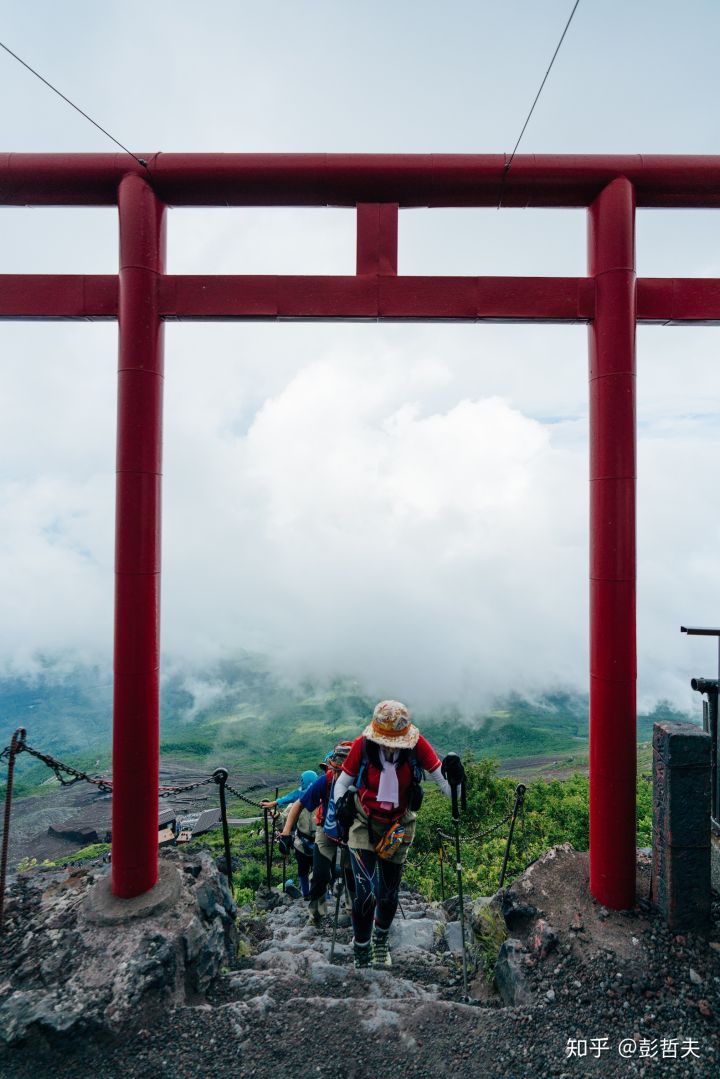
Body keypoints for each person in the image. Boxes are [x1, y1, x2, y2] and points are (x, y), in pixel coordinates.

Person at [331, 700, 464, 969]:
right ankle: (362, 948)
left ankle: (381, 940)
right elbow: (342, 782)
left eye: (396, 741)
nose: (391, 746)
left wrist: (457, 779)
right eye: (387, 741)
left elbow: (449, 792)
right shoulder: (363, 745)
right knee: (364, 892)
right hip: (363, 822)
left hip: (398, 824)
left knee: (389, 894)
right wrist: (341, 805)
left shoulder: (417, 746)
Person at [278, 742, 352, 926]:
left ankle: (352, 911)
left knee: (352, 874)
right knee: (319, 875)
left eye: (340, 771)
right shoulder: (326, 780)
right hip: (326, 830)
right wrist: (286, 833)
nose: (337, 774)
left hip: (352, 831)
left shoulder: (362, 781)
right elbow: (299, 804)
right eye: (335, 769)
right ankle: (316, 914)